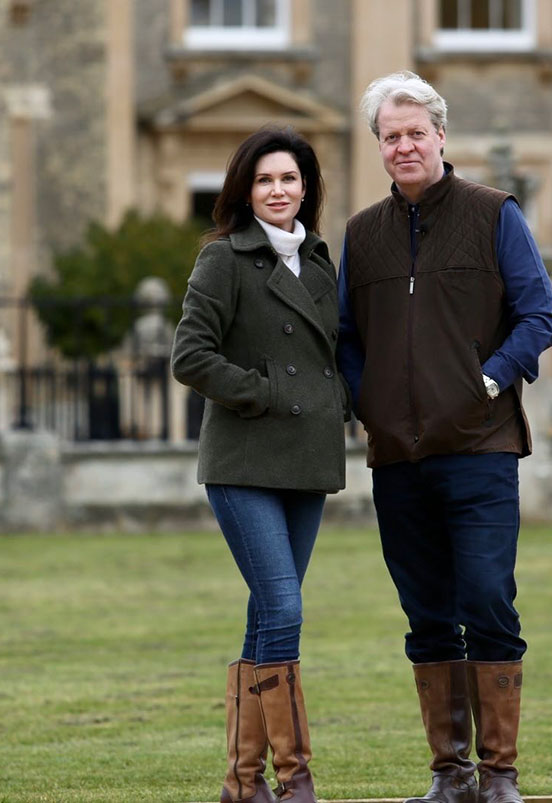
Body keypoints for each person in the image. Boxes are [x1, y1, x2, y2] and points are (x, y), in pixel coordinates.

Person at [337, 72, 552, 803]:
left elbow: (540, 317)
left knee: (488, 600)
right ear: (379, 146)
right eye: (390, 136)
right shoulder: (362, 235)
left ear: (440, 135)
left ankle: (499, 775)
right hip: (398, 459)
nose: (403, 146)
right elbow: (345, 338)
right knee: (427, 615)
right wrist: (368, 401)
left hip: (480, 449)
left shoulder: (495, 214)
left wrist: (487, 382)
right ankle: (450, 775)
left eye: (415, 133)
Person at [172, 127, 350, 803]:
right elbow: (191, 356)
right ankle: (293, 777)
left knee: (265, 616)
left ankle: (243, 783)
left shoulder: (321, 262)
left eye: (289, 179)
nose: (278, 190)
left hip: (307, 460)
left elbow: (334, 354)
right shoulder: (223, 258)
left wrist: (339, 400)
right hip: (244, 460)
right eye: (264, 180)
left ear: (307, 188)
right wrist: (269, 392)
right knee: (283, 605)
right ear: (245, 192)